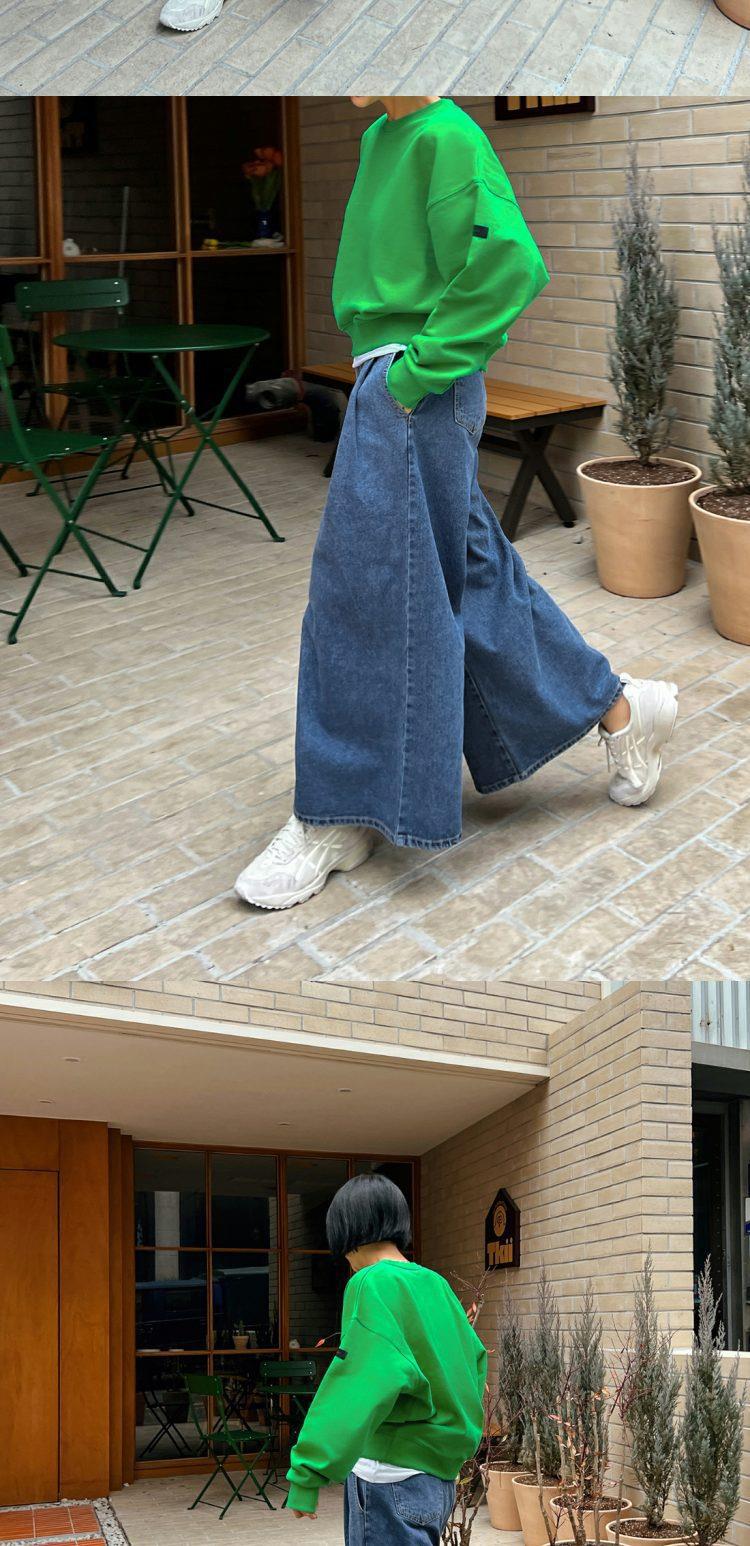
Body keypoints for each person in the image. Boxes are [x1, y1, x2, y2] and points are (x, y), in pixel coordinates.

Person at [235, 96, 679, 912]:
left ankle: (340, 811)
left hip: (413, 388)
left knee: (361, 595)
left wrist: (412, 377)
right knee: (468, 576)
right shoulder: (384, 133)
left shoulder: (445, 133)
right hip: (395, 381)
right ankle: (620, 707)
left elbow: (510, 261)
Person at [285, 1172, 487, 1543]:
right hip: (438, 1481)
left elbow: (358, 1381)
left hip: (388, 1478)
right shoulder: (435, 1284)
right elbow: (473, 1362)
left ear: (345, 1230)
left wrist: (308, 1473)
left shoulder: (371, 1282)